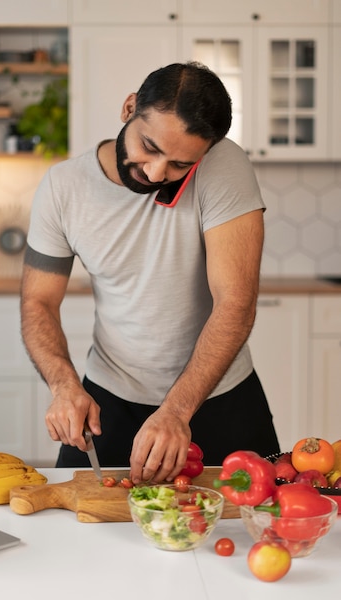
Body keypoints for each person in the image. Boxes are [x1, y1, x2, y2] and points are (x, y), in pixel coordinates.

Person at [21, 62, 280, 485]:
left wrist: (177, 411)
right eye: (149, 146)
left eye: (179, 164)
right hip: (110, 399)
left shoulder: (223, 164)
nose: (157, 173)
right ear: (128, 108)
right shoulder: (63, 187)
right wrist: (64, 385)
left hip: (217, 396)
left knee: (255, 525)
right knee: (79, 528)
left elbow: (236, 302)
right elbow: (38, 301)